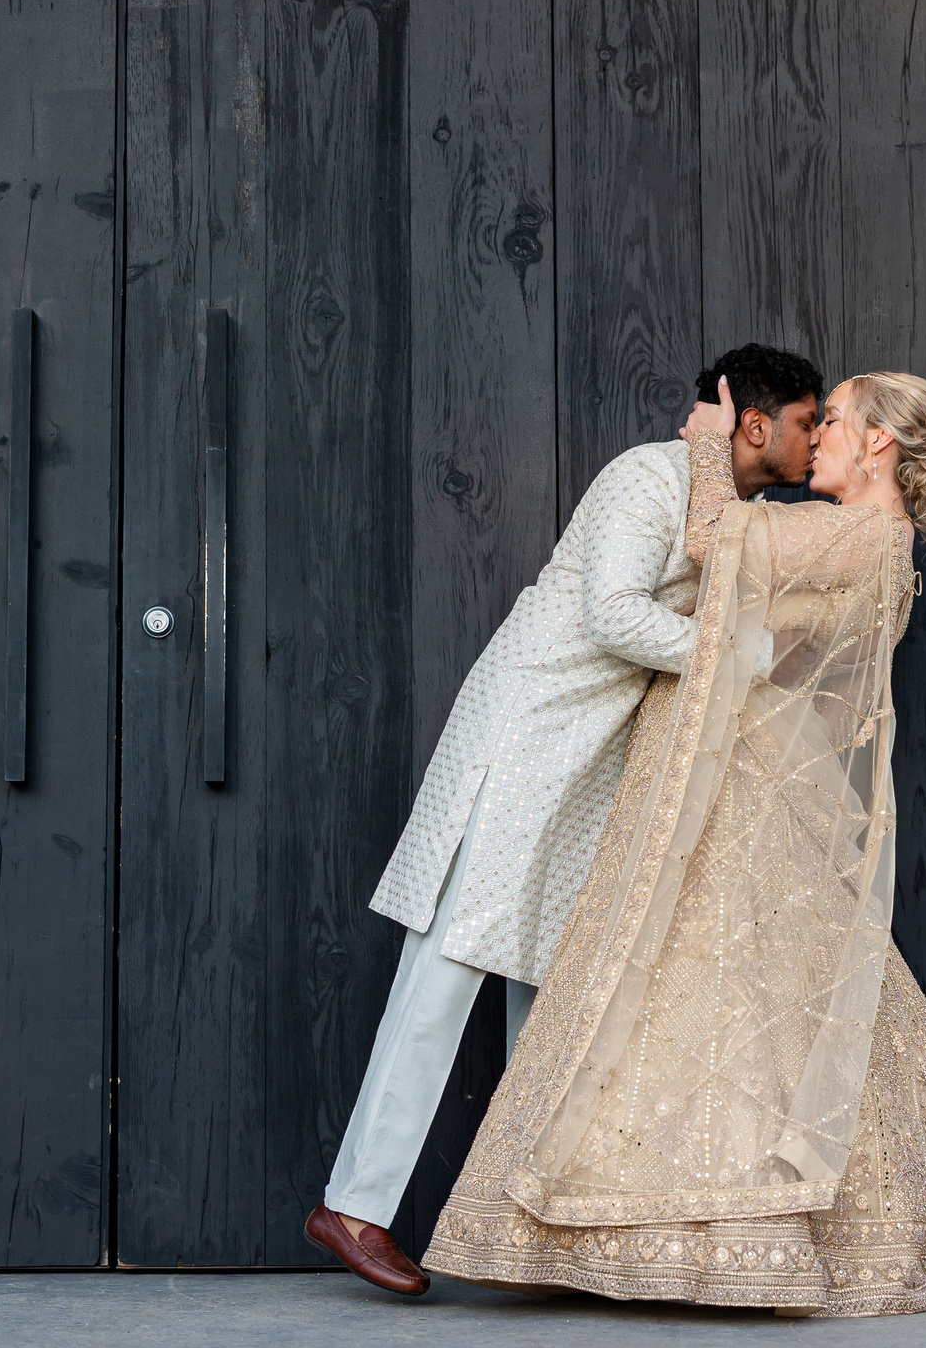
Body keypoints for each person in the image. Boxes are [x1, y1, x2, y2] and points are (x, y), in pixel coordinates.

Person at [421, 372, 926, 1316]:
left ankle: (723, 1232)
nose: (817, 434)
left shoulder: (860, 534)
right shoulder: (870, 541)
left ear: (878, 444)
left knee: (717, 994)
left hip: (747, 785)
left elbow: (713, 544)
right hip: (747, 780)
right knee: (735, 994)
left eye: (832, 419)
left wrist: (709, 441)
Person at [306, 345, 828, 1295]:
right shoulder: (645, 475)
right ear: (757, 424)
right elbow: (615, 617)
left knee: (553, 992)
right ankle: (354, 1205)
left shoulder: (734, 509)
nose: (815, 435)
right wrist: (745, 663)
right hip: (524, 740)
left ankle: (524, 1232)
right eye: (806, 419)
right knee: (448, 970)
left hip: (587, 768)